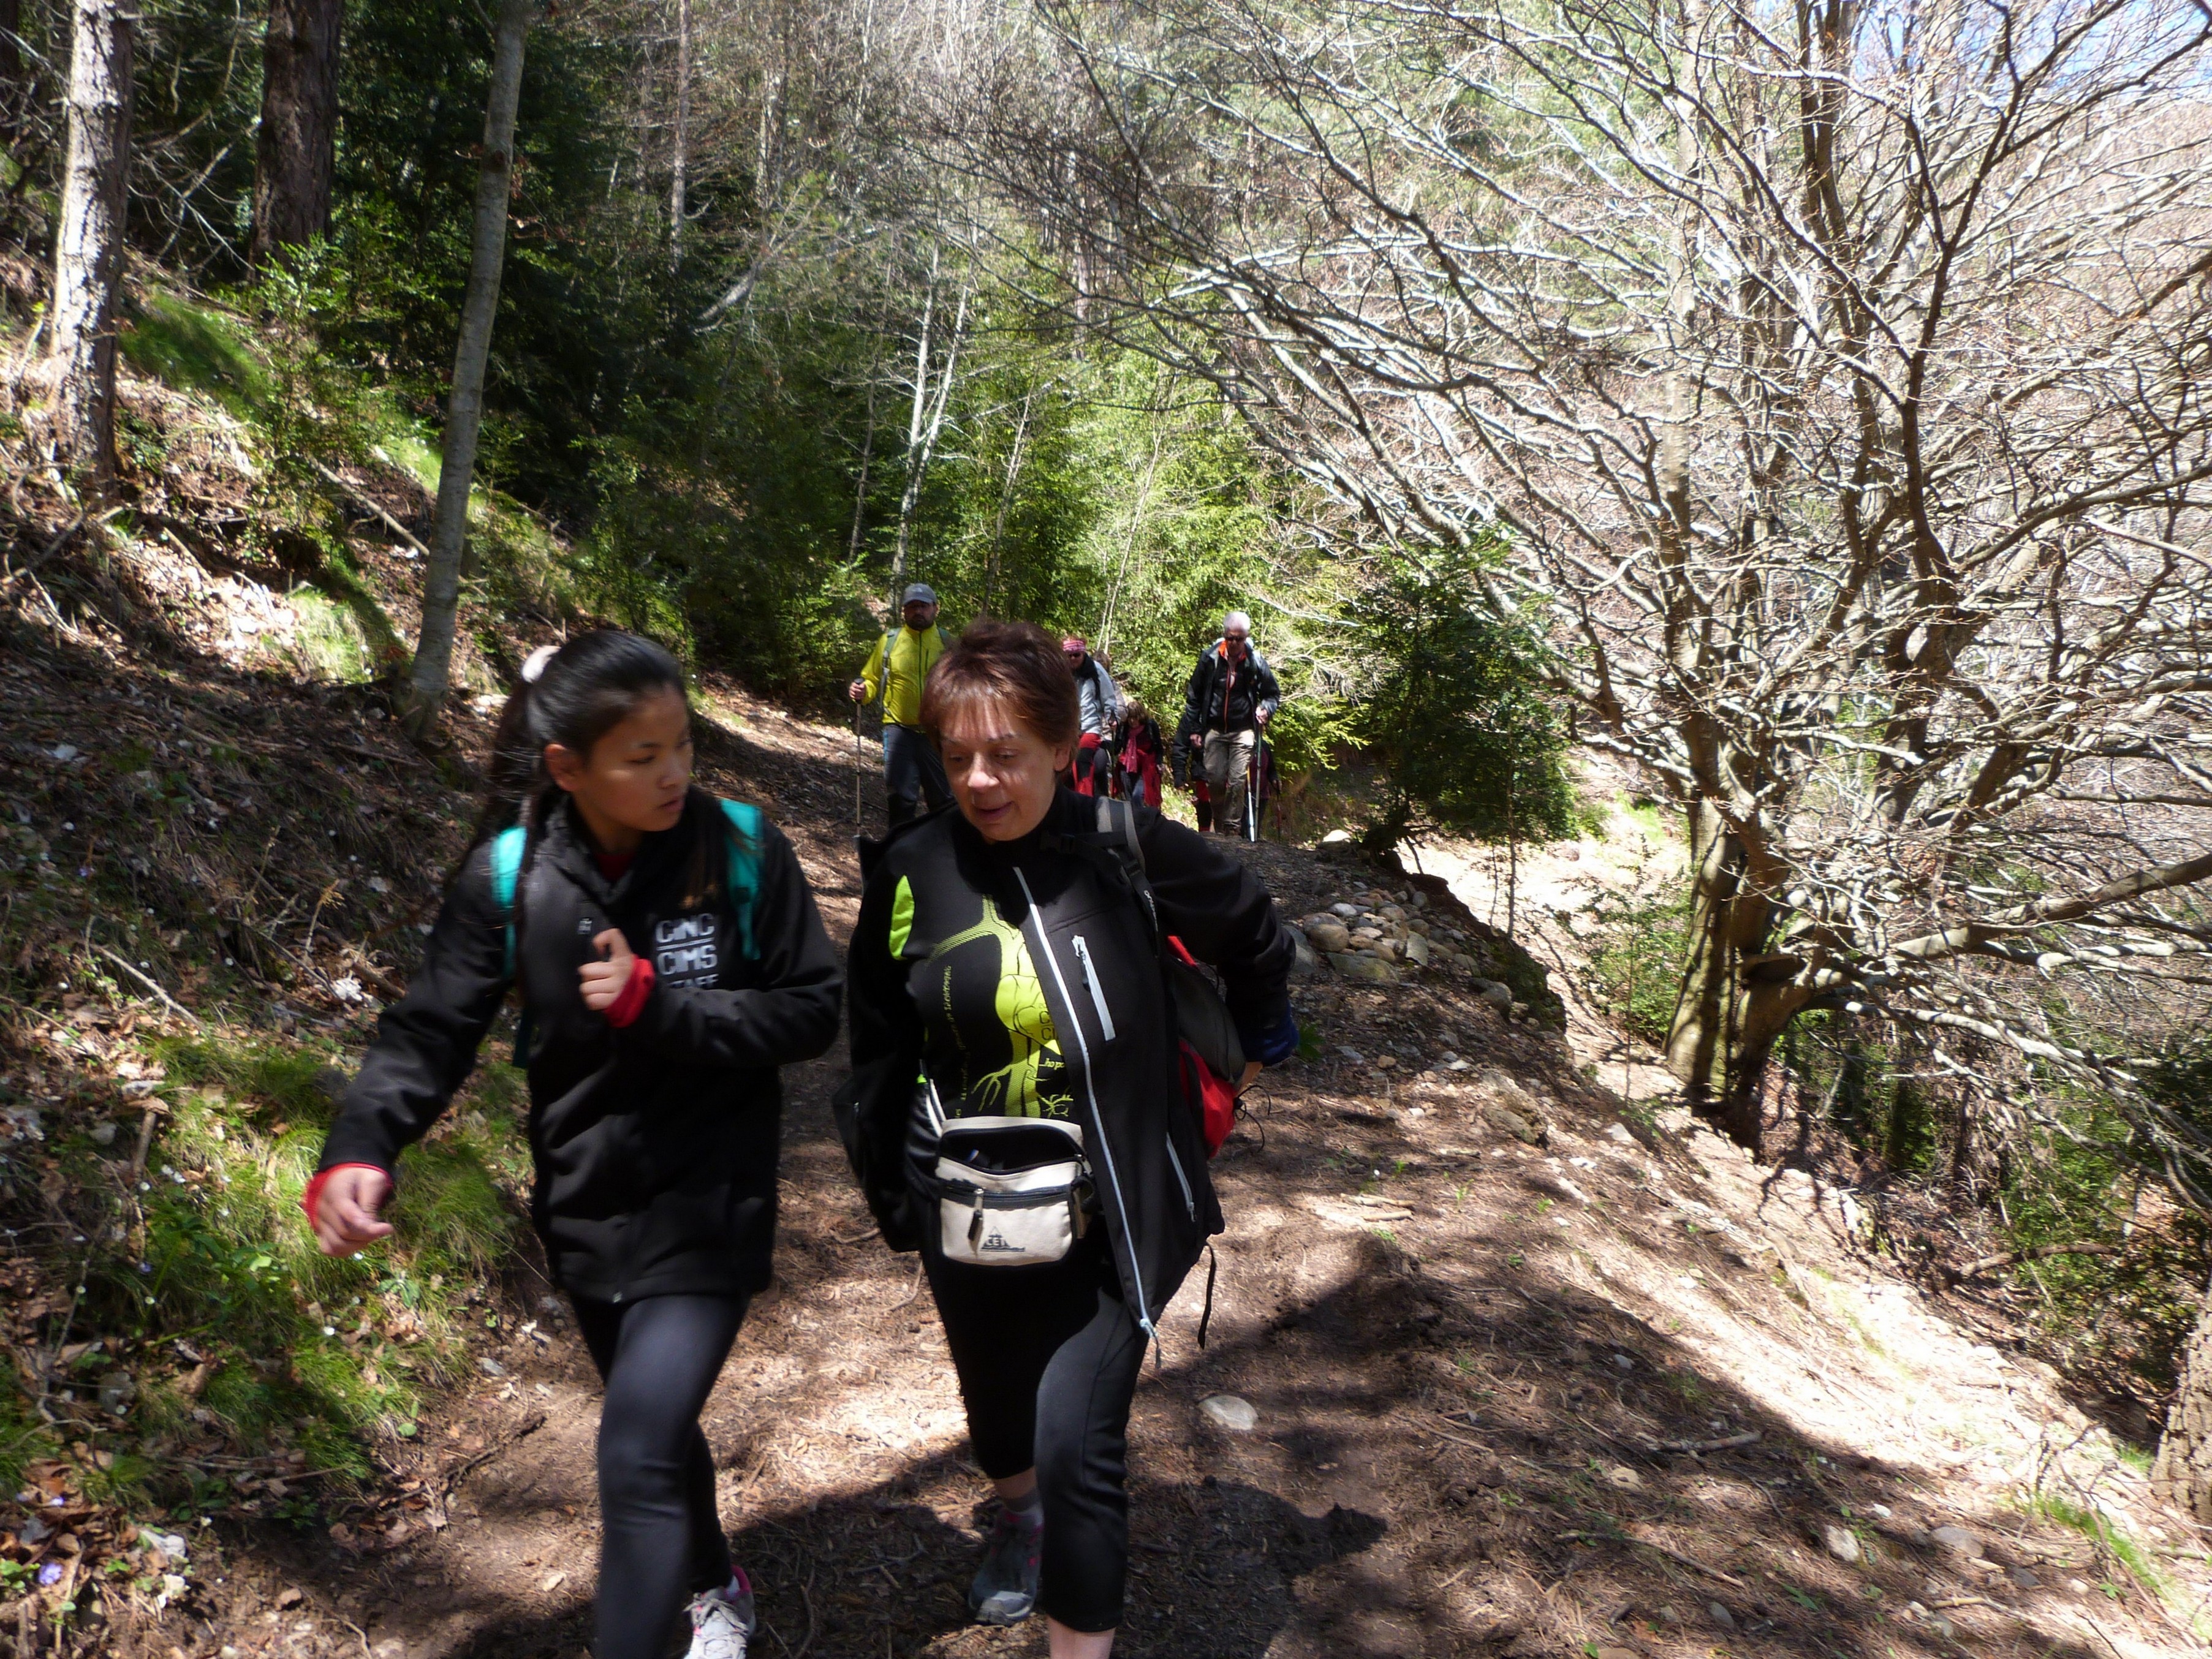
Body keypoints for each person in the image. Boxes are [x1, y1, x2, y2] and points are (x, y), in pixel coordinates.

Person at [305, 632, 843, 1659]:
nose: (674, 772)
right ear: (568, 765)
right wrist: (359, 1146)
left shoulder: (739, 850)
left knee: (634, 1448)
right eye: (642, 756)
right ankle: (713, 1579)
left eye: (682, 746)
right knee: (654, 1427)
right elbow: (430, 1031)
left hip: (710, 1200)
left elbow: (813, 1010)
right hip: (584, 1201)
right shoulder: (510, 877)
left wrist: (662, 1007)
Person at [843, 621, 1298, 1658]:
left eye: (1006, 754)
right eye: (958, 755)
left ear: (1062, 745)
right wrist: (895, 1181)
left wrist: (1259, 1042)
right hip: (969, 1194)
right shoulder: (912, 868)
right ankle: (1019, 1517)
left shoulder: (1123, 845)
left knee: (1075, 1439)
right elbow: (876, 1036)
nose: (980, 780)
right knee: (996, 1405)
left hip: (1117, 1204)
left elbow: (1252, 925)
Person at [850, 584, 953, 826]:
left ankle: (943, 847)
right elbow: (871, 678)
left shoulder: (948, 643)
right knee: (900, 800)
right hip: (898, 730)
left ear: (935, 609)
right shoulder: (889, 641)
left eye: (923, 606)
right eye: (912, 606)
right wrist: (862, 691)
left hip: (937, 733)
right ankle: (900, 847)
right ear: (904, 611)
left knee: (943, 800)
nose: (918, 611)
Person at [1180, 611, 1279, 837]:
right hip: (1214, 729)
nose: (1234, 643)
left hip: (1244, 730)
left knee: (1236, 780)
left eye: (1239, 639)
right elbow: (1194, 696)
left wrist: (1266, 709)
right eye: (1230, 638)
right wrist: (1195, 729)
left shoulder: (1255, 661)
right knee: (1214, 779)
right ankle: (1220, 821)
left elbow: (1272, 694)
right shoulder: (1209, 659)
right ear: (1224, 635)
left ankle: (1232, 828)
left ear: (1246, 638)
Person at [1062, 635, 1123, 799]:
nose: (1073, 659)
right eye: (1069, 655)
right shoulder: (1061, 672)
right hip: (1069, 729)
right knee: (1063, 765)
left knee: (1082, 758)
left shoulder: (1096, 670)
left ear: (1083, 653)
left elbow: (1108, 696)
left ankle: (1085, 800)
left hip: (1091, 727)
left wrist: (1112, 716)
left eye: (1077, 655)